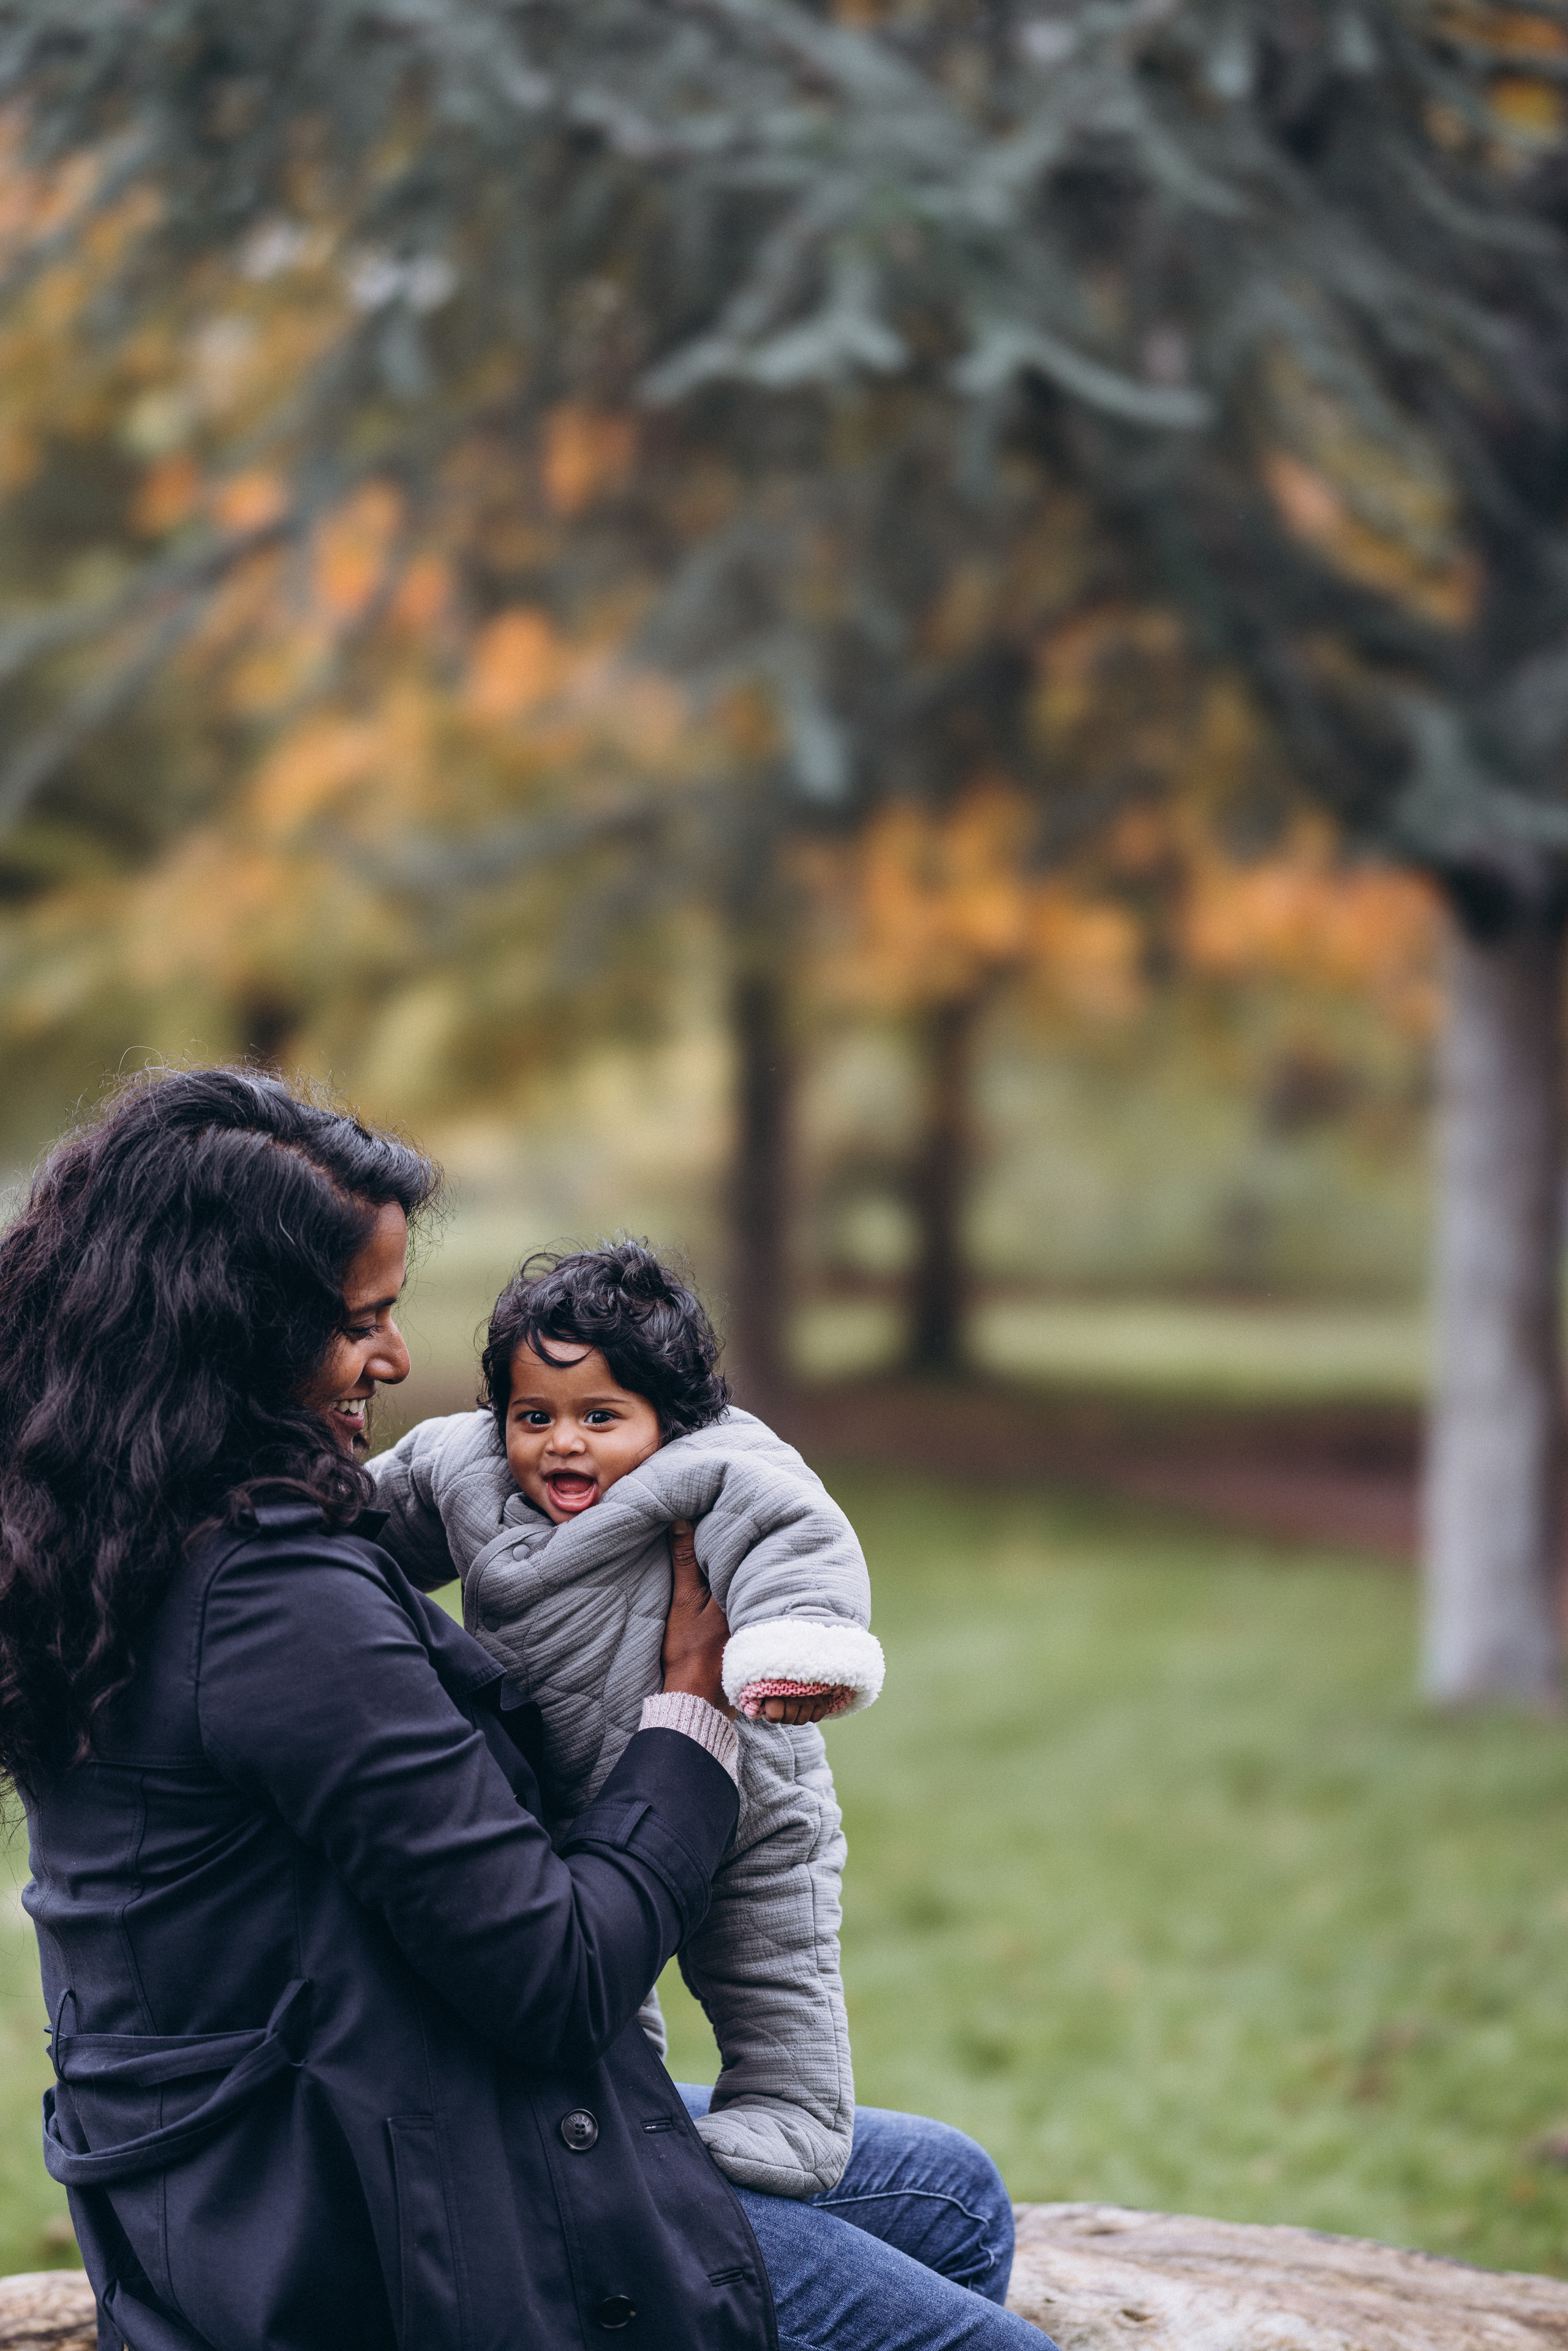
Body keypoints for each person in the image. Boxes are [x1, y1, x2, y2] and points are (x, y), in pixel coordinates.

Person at [0, 1067, 1055, 2351]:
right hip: (365, 2219)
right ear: (227, 1330)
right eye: (359, 1321)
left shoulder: (102, 1526)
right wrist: (688, 1712)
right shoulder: (275, 1604)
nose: (394, 1357)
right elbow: (555, 1977)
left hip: (256, 2137)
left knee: (948, 2190)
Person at [369, 1239, 884, 2199]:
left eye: (600, 1415)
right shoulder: (465, 1469)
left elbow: (795, 1537)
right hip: (564, 1793)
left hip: (738, 1785)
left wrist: (802, 1640)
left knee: (769, 1955)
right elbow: (366, 1520)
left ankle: (795, 2115)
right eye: (535, 1415)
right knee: (598, 1981)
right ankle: (618, 2123)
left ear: (669, 1416)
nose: (562, 1443)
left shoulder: (716, 1466)